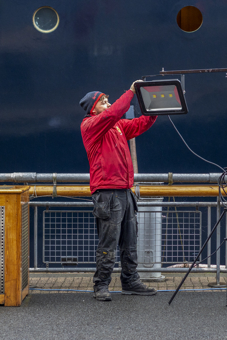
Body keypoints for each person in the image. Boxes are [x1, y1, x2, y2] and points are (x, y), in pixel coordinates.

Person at [80, 80, 158, 301]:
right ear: (93, 109)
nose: (109, 104)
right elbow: (114, 113)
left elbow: (140, 124)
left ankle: (130, 281)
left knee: (129, 241)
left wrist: (153, 111)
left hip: (124, 190)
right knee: (109, 241)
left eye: (108, 101)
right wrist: (131, 91)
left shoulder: (116, 126)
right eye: (104, 102)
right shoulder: (91, 125)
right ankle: (101, 285)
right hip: (107, 192)